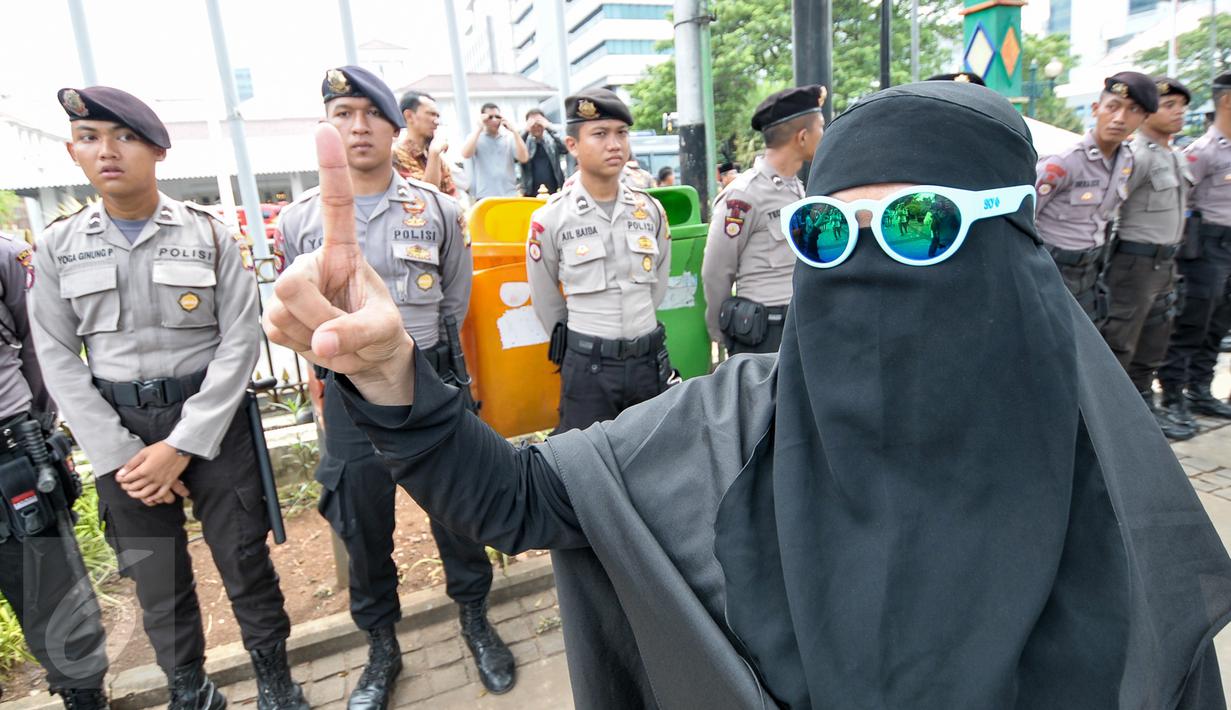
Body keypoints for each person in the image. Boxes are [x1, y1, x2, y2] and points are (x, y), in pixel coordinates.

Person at [266, 79, 1231, 710]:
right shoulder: (731, 425)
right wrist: (391, 373)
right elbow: (513, 500)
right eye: (827, 235)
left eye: (918, 224)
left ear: (1017, 243)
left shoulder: (1104, 474)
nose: (865, 263)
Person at [29, 86, 305, 710]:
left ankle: (274, 679)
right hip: (117, 430)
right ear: (74, 152)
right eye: (90, 138)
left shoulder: (207, 236)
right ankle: (190, 689)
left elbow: (239, 342)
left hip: (210, 422)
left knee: (244, 560)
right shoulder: (58, 246)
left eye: (124, 137)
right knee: (154, 573)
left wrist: (182, 445)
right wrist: (123, 451)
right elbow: (55, 355)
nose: (107, 152)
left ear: (156, 150)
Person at [275, 66, 515, 707]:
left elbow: (455, 302)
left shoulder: (436, 209)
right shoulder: (300, 223)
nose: (357, 126)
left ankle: (475, 617)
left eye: (370, 114)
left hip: (430, 384)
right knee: (361, 522)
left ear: (394, 124)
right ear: (327, 127)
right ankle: (381, 646)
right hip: (351, 400)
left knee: (457, 511)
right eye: (341, 114)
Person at [0, 232, 110, 709]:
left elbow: (38, 344)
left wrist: (38, 429)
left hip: (8, 449)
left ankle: (83, 696)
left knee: (51, 591)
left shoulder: (5, 254)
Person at [524, 89, 672, 433]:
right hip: (588, 368)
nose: (615, 144)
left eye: (621, 133)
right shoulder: (551, 219)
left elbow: (658, 285)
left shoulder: (650, 210)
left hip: (647, 363)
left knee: (653, 460)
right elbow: (546, 300)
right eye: (600, 134)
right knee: (586, 471)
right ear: (572, 145)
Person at [1101, 78, 1195, 440]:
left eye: (1181, 106)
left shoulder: (1174, 155)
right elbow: (1110, 212)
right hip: (1134, 265)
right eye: (1169, 105)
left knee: (1155, 340)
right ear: (1150, 111)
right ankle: (1114, 420)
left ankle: (1142, 410)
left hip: (1164, 263)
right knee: (1121, 341)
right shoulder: (1135, 156)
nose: (1179, 113)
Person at [702, 85, 825, 354]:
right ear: (802, 137)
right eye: (821, 128)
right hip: (764, 333)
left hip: (799, 323)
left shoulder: (797, 188)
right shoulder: (744, 195)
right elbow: (716, 271)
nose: (823, 135)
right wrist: (721, 330)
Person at [1034, 71, 1158, 323]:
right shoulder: (1064, 162)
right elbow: (1024, 217)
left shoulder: (1127, 162)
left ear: (1143, 118)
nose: (1119, 118)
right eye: (1112, 107)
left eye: (1132, 110)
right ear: (1095, 109)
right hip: (1053, 269)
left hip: (1091, 270)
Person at [1159, 72, 1231, 426]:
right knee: (1193, 322)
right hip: (1205, 247)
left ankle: (1200, 389)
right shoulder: (1202, 152)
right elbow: (1179, 202)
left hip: (1228, 246)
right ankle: (1173, 394)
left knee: (1218, 323)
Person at [393, 90, 457, 197]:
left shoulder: (436, 158)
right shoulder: (394, 156)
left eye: (437, 116)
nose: (436, 121)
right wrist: (434, 153)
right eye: (431, 114)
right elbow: (426, 201)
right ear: (409, 116)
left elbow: (452, 198)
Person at [460, 102, 528, 199]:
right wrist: (479, 128)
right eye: (490, 117)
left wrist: (514, 131)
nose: (494, 120)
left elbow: (524, 158)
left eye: (497, 116)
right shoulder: (476, 137)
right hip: (485, 195)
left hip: (509, 194)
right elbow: (466, 154)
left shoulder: (509, 137)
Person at [519, 108, 566, 196]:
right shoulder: (524, 143)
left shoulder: (551, 140)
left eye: (539, 123)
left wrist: (549, 127)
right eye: (533, 124)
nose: (536, 127)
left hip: (554, 190)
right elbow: (515, 154)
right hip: (530, 191)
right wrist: (526, 131)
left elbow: (565, 148)